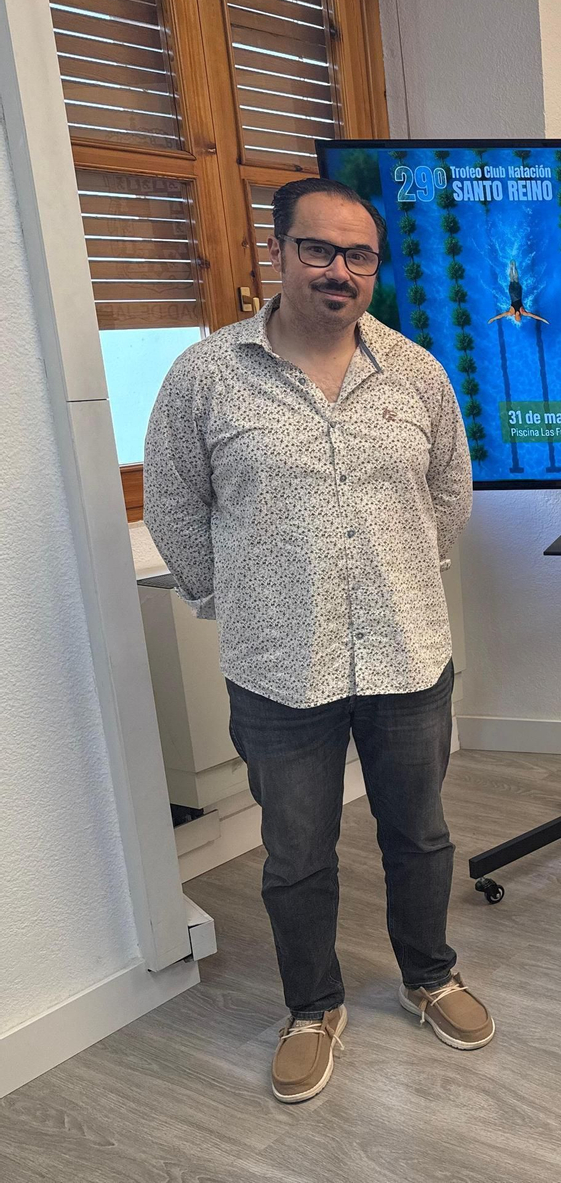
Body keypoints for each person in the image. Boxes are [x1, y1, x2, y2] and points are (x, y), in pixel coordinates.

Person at [143, 177, 493, 1104]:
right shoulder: (205, 376)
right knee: (296, 851)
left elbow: (448, 492)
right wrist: (232, 594)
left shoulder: (416, 371)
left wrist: (405, 570)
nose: (340, 271)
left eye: (360, 255)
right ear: (281, 252)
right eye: (319, 250)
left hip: (407, 653)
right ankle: (312, 1007)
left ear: (376, 266)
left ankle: (430, 976)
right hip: (275, 664)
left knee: (419, 835)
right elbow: (174, 500)